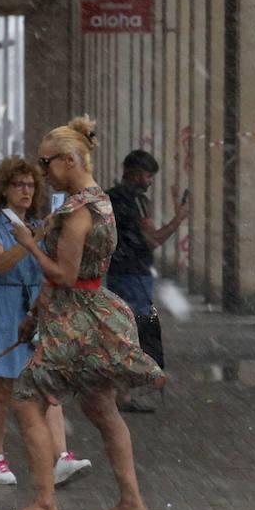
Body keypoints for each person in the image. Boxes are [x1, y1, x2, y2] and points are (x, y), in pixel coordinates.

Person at [0, 116, 165, 510]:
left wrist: (30, 244)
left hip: (77, 320)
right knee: (101, 408)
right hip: (93, 313)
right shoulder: (98, 199)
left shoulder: (77, 211)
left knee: (27, 401)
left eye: (47, 163)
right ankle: (132, 503)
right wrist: (35, 313)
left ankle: (45, 504)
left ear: (70, 159)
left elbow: (66, 275)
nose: (43, 173)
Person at [0, 156, 93, 488]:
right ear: (4, 189)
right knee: (2, 389)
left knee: (47, 386)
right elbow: (2, 263)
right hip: (2, 307)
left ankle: (61, 458)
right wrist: (34, 240)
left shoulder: (39, 224)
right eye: (18, 185)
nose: (26, 191)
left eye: (30, 185)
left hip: (35, 308)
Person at [106, 148, 190, 412]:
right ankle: (121, 396)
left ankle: (117, 394)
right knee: (134, 334)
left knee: (120, 333)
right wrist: (178, 218)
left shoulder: (109, 197)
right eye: (147, 175)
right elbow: (152, 240)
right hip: (136, 275)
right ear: (135, 174)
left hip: (116, 272)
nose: (149, 181)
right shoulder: (139, 201)